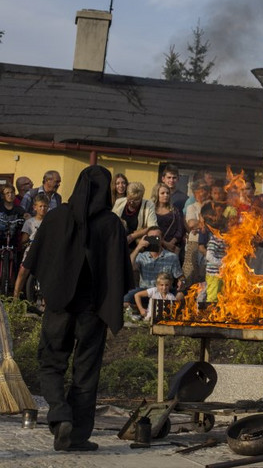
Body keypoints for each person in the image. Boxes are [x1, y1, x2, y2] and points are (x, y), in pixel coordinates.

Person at [20, 165, 131, 452]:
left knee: (51, 363)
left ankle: (59, 414)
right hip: (93, 311)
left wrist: (41, 288)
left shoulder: (56, 217)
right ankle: (77, 434)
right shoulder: (111, 224)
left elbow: (34, 259)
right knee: (86, 372)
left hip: (59, 306)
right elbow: (122, 274)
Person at [123, 225, 184, 317]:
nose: (154, 240)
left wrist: (182, 282)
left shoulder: (171, 257)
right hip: (145, 290)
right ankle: (142, 309)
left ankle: (167, 313)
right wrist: (138, 247)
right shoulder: (142, 256)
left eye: (157, 237)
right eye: (151, 237)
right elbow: (129, 266)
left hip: (165, 290)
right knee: (124, 300)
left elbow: (180, 277)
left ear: (162, 239)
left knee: (181, 295)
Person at [112, 182, 157, 252]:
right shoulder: (119, 202)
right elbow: (112, 221)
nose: (132, 202)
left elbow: (153, 227)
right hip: (119, 241)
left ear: (142, 197)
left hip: (137, 244)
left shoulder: (149, 205)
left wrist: (132, 236)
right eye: (130, 199)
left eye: (136, 200)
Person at [152, 182, 185, 256]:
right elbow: (148, 229)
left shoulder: (174, 210)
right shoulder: (151, 210)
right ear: (156, 194)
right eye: (162, 193)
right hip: (154, 245)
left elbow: (180, 229)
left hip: (171, 248)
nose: (166, 195)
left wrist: (172, 242)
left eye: (167, 193)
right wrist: (164, 243)